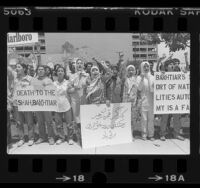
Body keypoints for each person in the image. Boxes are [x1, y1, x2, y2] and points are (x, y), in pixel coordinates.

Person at [159, 59, 185, 141]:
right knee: (164, 118)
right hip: (166, 100)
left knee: (177, 118)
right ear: (166, 67)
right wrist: (161, 74)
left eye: (173, 64)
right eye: (170, 64)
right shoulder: (163, 75)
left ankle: (176, 134)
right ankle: (162, 134)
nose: (172, 65)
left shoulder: (178, 75)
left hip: (175, 100)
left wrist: (185, 74)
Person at [11, 61, 35, 147]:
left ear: (24, 69)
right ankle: (21, 138)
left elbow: (33, 91)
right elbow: (12, 91)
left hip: (27, 103)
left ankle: (31, 138)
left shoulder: (30, 79)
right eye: (16, 67)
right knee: (18, 122)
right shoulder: (15, 79)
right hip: (16, 103)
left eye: (19, 67)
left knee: (29, 121)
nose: (16, 69)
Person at [31, 65, 56, 145]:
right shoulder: (33, 80)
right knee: (40, 122)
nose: (40, 71)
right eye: (39, 69)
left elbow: (52, 91)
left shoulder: (49, 80)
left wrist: (46, 86)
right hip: (38, 104)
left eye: (42, 69)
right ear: (37, 71)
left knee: (49, 122)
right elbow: (30, 92)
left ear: (45, 71)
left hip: (47, 104)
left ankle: (51, 137)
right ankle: (42, 137)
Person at [68, 58, 89, 145]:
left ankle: (86, 137)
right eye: (78, 63)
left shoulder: (87, 75)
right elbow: (68, 90)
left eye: (81, 63)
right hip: (75, 100)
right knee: (77, 119)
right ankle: (78, 137)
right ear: (75, 65)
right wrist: (74, 88)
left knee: (84, 118)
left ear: (83, 65)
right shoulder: (72, 76)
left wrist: (87, 84)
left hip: (84, 100)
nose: (79, 65)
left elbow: (90, 86)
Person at [53, 66, 74, 145]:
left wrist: (73, 87)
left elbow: (72, 91)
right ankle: (61, 138)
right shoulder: (53, 83)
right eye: (59, 71)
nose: (60, 72)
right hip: (57, 106)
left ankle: (70, 138)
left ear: (64, 73)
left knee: (69, 123)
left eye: (62, 71)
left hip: (67, 105)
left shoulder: (68, 82)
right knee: (58, 124)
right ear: (56, 73)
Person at [137, 61, 155, 141]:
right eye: (144, 67)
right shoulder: (139, 77)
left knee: (151, 119)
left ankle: (151, 135)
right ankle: (144, 134)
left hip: (152, 101)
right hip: (143, 101)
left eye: (147, 66)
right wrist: (142, 78)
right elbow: (139, 89)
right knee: (144, 119)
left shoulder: (153, 77)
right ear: (142, 67)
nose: (146, 68)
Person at [122, 65, 140, 139]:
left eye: (132, 70)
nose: (131, 71)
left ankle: (131, 134)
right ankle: (124, 134)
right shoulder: (124, 79)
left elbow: (139, 91)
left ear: (135, 71)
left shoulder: (137, 79)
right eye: (129, 70)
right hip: (125, 101)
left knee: (132, 118)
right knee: (125, 118)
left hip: (134, 101)